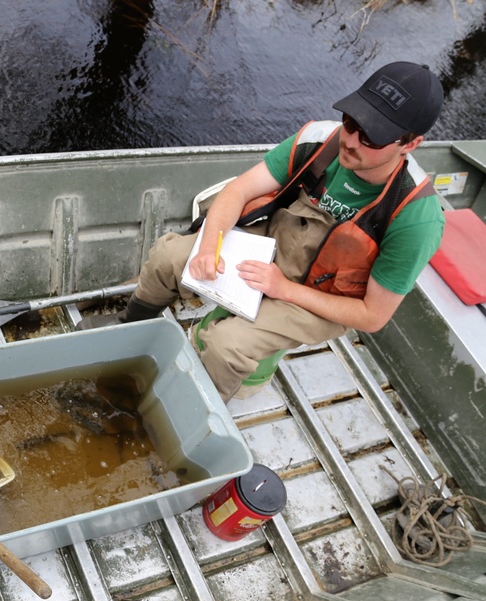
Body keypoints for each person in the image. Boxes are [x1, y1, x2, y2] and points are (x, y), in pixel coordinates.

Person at [79, 61, 445, 402]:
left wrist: (282, 289)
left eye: (372, 137)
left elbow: (371, 316)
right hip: (270, 247)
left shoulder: (416, 217)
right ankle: (131, 326)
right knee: (170, 256)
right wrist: (209, 246)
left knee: (227, 344)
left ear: (410, 144)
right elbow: (238, 190)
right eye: (351, 122)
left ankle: (192, 406)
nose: (351, 141)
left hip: (320, 294)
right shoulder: (319, 139)